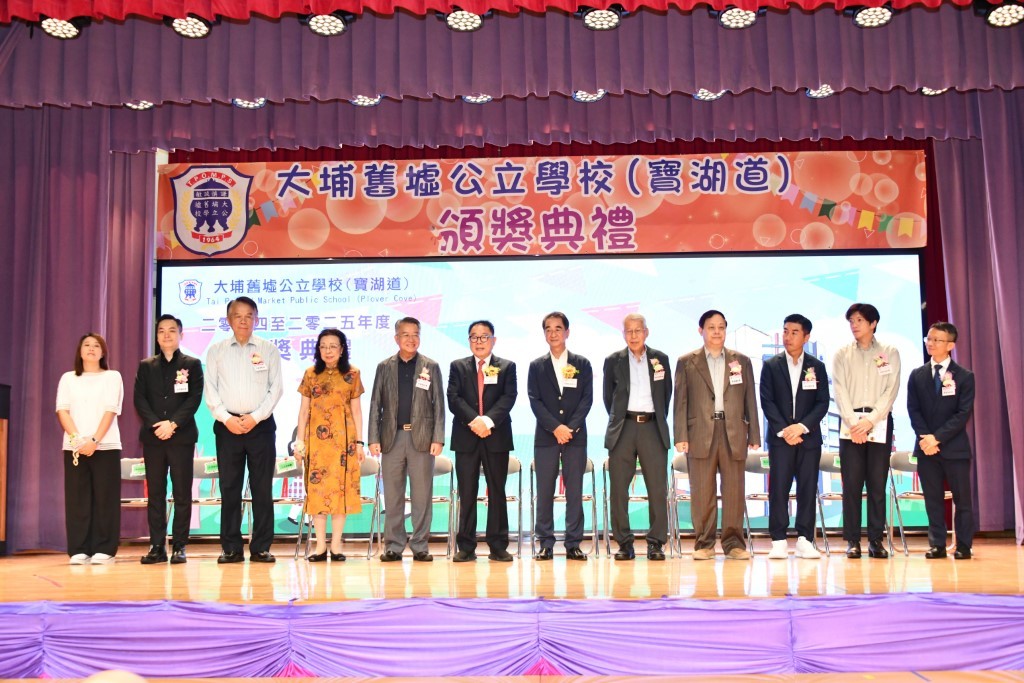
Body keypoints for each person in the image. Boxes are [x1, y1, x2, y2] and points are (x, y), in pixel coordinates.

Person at [673, 310, 760, 561]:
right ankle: (704, 543)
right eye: (711, 327)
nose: (717, 332)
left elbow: (750, 399)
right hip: (699, 432)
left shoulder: (741, 361)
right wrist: (680, 435)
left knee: (734, 490)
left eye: (721, 327)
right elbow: (680, 402)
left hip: (733, 431)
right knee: (702, 491)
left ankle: (734, 544)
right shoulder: (687, 361)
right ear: (701, 331)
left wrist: (754, 433)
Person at [204, 296, 283, 564]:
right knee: (230, 489)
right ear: (229, 320)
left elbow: (276, 389)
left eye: (249, 315)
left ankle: (261, 547)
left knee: (262, 488)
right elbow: (211, 391)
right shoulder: (216, 351)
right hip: (227, 428)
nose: (243, 321)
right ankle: (231, 548)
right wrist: (227, 418)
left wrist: (255, 417)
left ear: (256, 319)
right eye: (238, 316)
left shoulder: (268, 349)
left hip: (260, 427)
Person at [368, 317, 445, 563]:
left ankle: (420, 545)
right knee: (392, 495)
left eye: (415, 334)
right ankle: (393, 545)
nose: (411, 339)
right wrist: (373, 438)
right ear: (396, 338)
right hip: (391, 438)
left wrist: (438, 438)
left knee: (422, 495)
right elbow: (375, 404)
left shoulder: (430, 366)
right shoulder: (384, 367)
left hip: (421, 439)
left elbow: (439, 404)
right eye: (405, 334)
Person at [134, 314, 204, 565]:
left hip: (181, 437)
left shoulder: (192, 364)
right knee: (156, 493)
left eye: (172, 330)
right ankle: (157, 546)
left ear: (180, 335)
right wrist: (157, 424)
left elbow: (194, 398)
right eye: (161, 331)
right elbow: (139, 399)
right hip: (154, 438)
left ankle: (180, 546)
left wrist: (173, 424)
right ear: (157, 336)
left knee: (182, 493)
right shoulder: (146, 366)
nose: (166, 335)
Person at [832, 302, 901, 559]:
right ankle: (852, 541)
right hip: (850, 424)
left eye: (859, 320)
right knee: (851, 484)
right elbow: (839, 391)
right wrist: (854, 423)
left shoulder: (889, 352)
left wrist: (870, 421)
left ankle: (875, 540)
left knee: (876, 484)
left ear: (873, 323)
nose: (854, 325)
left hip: (879, 422)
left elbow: (891, 390)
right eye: (851, 321)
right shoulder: (842, 354)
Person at [759, 314, 829, 560]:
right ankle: (778, 540)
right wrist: (785, 430)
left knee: (807, 489)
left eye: (794, 332)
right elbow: (767, 401)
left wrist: (801, 427)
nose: (788, 337)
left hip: (808, 439)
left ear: (806, 337)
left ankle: (804, 539)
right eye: (786, 331)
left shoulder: (816, 366)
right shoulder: (771, 365)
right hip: (781, 439)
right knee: (778, 489)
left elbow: (822, 403)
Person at [447, 320, 518, 562]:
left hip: (496, 436)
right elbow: (453, 398)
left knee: (496, 491)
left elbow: (509, 397)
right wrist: (475, 421)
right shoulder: (458, 366)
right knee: (467, 492)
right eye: (474, 337)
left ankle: (497, 545)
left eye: (484, 336)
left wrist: (487, 421)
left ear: (493, 340)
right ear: (469, 341)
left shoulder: (506, 367)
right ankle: (466, 546)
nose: (479, 341)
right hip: (466, 436)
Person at [604, 313, 672, 561]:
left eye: (638, 330)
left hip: (652, 428)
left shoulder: (660, 359)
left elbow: (666, 394)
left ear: (646, 332)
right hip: (623, 428)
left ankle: (656, 543)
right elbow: (608, 397)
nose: (633, 336)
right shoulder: (613, 360)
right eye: (628, 331)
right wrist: (621, 419)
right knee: (619, 490)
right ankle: (624, 543)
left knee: (657, 488)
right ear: (623, 334)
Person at [294, 328, 366, 562]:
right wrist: (299, 442)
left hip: (344, 444)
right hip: (316, 445)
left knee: (340, 493)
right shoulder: (311, 374)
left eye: (333, 346)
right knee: (317, 493)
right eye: (323, 346)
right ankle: (320, 547)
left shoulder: (353, 374)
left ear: (342, 349)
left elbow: (356, 411)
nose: (328, 351)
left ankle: (336, 546)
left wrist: (360, 442)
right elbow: (303, 411)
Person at [907, 322, 976, 560]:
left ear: (950, 345)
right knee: (933, 499)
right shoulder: (917, 375)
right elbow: (913, 410)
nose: (931, 343)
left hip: (955, 448)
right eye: (929, 338)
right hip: (926, 449)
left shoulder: (964, 376)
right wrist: (926, 439)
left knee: (962, 500)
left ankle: (964, 545)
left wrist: (937, 438)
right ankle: (937, 544)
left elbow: (963, 414)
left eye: (937, 340)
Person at [528, 312, 593, 561]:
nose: (553, 333)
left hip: (575, 437)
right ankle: (545, 543)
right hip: (546, 438)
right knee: (545, 491)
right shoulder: (537, 366)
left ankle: (573, 543)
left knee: (574, 492)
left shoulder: (581, 363)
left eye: (558, 328)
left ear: (567, 332)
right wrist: (556, 428)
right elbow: (535, 401)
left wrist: (570, 428)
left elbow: (586, 400)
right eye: (548, 329)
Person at [56, 333, 124, 564]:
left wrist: (94, 440)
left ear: (103, 352)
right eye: (87, 345)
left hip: (106, 445)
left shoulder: (112, 377)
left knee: (105, 498)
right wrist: (78, 440)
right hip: (75, 447)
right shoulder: (68, 378)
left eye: (96, 345)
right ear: (80, 351)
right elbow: (62, 410)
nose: (91, 348)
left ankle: (104, 549)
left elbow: (111, 409)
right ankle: (79, 549)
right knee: (77, 499)